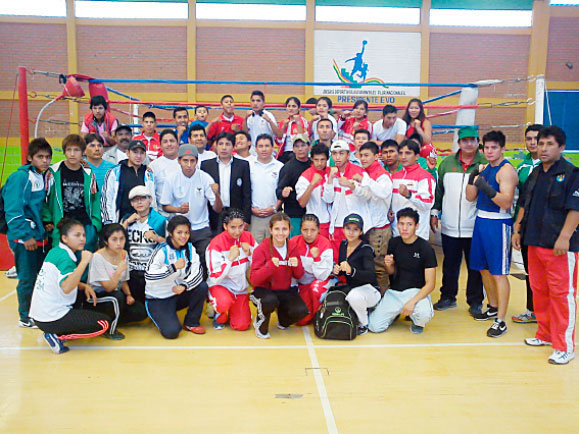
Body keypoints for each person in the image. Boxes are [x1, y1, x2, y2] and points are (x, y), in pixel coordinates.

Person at [514, 126, 578, 365]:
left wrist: (564, 236)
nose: (543, 148)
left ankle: (564, 346)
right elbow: (524, 203)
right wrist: (518, 229)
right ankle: (545, 334)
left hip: (560, 247)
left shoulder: (572, 173)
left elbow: (576, 208)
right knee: (539, 291)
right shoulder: (535, 173)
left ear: (561, 147)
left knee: (562, 295)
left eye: (549, 144)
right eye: (541, 144)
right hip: (534, 242)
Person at [29, 219, 110, 354]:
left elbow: (60, 281)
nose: (82, 239)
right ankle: (57, 336)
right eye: (77, 235)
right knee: (103, 324)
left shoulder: (56, 251)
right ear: (65, 238)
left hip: (40, 316)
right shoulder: (66, 259)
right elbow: (66, 287)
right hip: (52, 318)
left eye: (83, 235)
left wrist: (83, 285)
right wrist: (84, 262)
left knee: (81, 299)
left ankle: (56, 332)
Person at [466, 130, 518, 338]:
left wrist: (485, 188)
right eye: (486, 147)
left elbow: (506, 202)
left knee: (498, 272)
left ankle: (501, 320)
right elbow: (470, 197)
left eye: (493, 147)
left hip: (499, 224)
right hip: (481, 221)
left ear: (502, 148)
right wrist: (472, 178)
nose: (489, 151)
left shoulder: (506, 171)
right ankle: (493, 306)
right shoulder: (486, 168)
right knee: (483, 269)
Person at [431, 125, 485, 316]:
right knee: (450, 264)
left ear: (478, 142)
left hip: (476, 226)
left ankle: (476, 301)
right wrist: (435, 212)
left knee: (475, 266)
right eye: (464, 140)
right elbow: (439, 191)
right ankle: (447, 297)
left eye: (472, 139)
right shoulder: (446, 164)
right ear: (459, 142)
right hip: (450, 225)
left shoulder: (486, 163)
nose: (469, 143)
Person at [3, 138, 52, 328]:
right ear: (30, 158)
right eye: (40, 157)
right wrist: (25, 236)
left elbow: (36, 207)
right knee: (27, 278)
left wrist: (44, 225)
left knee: (37, 277)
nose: (45, 161)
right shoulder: (20, 177)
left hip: (38, 235)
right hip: (24, 237)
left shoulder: (41, 175)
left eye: (47, 157)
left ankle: (35, 311)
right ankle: (25, 316)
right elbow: (13, 210)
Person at [369, 208, 437, 334]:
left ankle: (417, 321)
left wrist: (411, 302)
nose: (404, 228)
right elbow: (390, 272)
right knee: (374, 326)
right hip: (395, 293)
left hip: (416, 292)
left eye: (409, 224)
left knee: (424, 314)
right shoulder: (394, 243)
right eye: (401, 224)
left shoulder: (425, 248)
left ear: (416, 226)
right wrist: (388, 265)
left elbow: (431, 284)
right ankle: (394, 314)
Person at [144, 215, 209, 339]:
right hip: (159, 298)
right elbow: (149, 275)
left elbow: (198, 272)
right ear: (171, 233)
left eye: (186, 232)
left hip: (177, 293)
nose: (183, 236)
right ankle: (159, 315)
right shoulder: (161, 250)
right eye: (179, 232)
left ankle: (191, 322)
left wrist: (185, 285)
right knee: (172, 332)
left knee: (201, 286)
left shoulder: (190, 248)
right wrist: (172, 267)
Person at [160, 144, 222, 268]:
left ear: (197, 161)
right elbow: (165, 206)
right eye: (185, 161)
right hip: (180, 228)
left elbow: (217, 209)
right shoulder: (171, 179)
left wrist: (217, 194)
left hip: (201, 228)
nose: (189, 165)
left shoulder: (205, 178)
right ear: (179, 161)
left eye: (192, 161)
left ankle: (202, 286)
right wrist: (178, 210)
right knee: (181, 263)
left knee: (204, 262)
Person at [249, 212, 308, 339]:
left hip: (284, 290)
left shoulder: (292, 246)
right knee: (269, 300)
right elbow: (254, 279)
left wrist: (296, 265)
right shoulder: (261, 248)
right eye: (276, 229)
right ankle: (259, 323)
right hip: (263, 291)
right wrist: (269, 266)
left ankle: (283, 319)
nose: (280, 233)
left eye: (284, 229)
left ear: (289, 230)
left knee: (301, 311)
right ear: (270, 230)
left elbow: (299, 275)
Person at [87, 223, 147, 340]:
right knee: (117, 296)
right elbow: (108, 287)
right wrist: (118, 272)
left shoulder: (124, 254)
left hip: (116, 294)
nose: (119, 243)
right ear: (106, 241)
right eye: (114, 239)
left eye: (121, 239)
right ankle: (109, 329)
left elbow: (123, 280)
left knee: (140, 312)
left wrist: (129, 295)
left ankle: (103, 321)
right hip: (99, 297)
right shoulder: (97, 257)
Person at [42, 134, 101, 252]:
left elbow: (95, 200)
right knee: (63, 263)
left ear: (83, 152)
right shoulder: (53, 172)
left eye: (76, 150)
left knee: (84, 263)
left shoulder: (89, 174)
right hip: (62, 225)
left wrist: (95, 224)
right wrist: (47, 219)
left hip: (85, 225)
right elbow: (42, 198)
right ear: (64, 152)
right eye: (69, 150)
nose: (72, 154)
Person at [511, 123, 543, 324]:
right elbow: (518, 201)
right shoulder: (521, 167)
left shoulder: (556, 167)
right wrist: (517, 227)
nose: (532, 142)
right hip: (526, 229)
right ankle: (533, 311)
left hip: (547, 231)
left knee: (548, 273)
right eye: (529, 138)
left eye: (537, 139)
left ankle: (549, 313)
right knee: (531, 271)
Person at [206, 208, 257, 331]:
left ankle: (235, 309)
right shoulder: (215, 244)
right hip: (221, 286)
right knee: (223, 303)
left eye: (240, 226)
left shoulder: (248, 237)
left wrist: (250, 252)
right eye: (233, 227)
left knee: (241, 326)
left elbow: (259, 260)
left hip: (240, 288)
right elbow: (215, 277)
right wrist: (229, 260)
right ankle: (219, 313)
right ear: (225, 226)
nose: (237, 231)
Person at [322, 140, 372, 258]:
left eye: (341, 153)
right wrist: (329, 180)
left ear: (348, 155)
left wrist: (351, 186)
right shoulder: (330, 173)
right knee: (337, 262)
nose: (337, 157)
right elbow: (328, 199)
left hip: (355, 226)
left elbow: (368, 196)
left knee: (354, 262)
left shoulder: (359, 171)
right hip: (336, 225)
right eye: (334, 153)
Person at [333, 214, 381, 335]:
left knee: (353, 297)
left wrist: (351, 270)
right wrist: (337, 270)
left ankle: (364, 324)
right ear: (343, 229)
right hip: (353, 288)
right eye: (348, 228)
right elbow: (343, 268)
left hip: (370, 290)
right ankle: (362, 310)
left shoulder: (366, 249)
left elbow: (371, 276)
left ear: (361, 232)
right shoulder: (343, 245)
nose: (351, 232)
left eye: (355, 229)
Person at [356, 141, 393, 293]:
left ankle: (385, 301)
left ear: (376, 156)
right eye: (361, 156)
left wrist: (365, 180)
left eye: (366, 155)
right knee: (368, 266)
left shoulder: (382, 176)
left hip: (379, 229)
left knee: (380, 268)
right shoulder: (365, 173)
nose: (363, 159)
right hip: (367, 228)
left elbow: (384, 193)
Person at [121, 186, 167, 305]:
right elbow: (114, 240)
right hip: (131, 272)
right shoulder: (127, 219)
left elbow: (173, 246)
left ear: (150, 199)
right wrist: (126, 223)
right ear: (131, 203)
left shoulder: (160, 220)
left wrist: (157, 238)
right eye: (135, 200)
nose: (139, 202)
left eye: (143, 198)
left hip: (152, 272)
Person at [201, 131, 251, 233]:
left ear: (233, 147)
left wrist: (246, 218)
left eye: (227, 144)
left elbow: (247, 194)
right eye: (220, 144)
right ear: (216, 146)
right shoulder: (206, 165)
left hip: (236, 213)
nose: (224, 148)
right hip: (213, 215)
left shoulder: (243, 165)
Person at [101, 139, 157, 224]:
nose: (138, 156)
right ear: (127, 153)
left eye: (142, 153)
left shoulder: (148, 173)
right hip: (120, 221)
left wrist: (153, 221)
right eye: (135, 152)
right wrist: (109, 222)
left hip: (143, 223)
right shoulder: (115, 172)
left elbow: (152, 199)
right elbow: (107, 198)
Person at [391, 139, 436, 242]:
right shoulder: (394, 177)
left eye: (408, 153)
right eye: (401, 153)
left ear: (417, 156)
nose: (403, 157)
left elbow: (427, 204)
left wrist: (409, 195)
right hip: (396, 234)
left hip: (417, 236)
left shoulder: (425, 177)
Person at [292, 214, 333, 325]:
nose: (309, 234)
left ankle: (319, 315)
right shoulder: (294, 242)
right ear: (300, 229)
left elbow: (322, 276)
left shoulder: (325, 244)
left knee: (315, 288)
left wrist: (316, 258)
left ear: (319, 230)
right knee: (300, 320)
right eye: (305, 230)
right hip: (301, 284)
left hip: (318, 282)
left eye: (313, 230)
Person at [249, 134, 284, 244]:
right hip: (254, 216)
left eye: (267, 146)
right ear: (255, 148)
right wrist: (251, 209)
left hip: (274, 215)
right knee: (254, 251)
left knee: (274, 249)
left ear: (273, 148)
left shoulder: (280, 167)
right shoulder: (248, 165)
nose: (264, 149)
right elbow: (245, 191)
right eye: (260, 146)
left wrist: (275, 207)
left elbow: (282, 191)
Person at [276, 133, 312, 237]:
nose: (300, 149)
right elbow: (278, 191)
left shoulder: (314, 164)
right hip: (294, 215)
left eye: (303, 145)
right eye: (297, 146)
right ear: (293, 149)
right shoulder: (288, 168)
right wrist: (283, 192)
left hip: (312, 213)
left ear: (309, 147)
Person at [296, 144, 331, 238]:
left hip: (333, 225)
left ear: (327, 159)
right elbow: (302, 203)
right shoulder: (305, 177)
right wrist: (312, 185)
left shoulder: (332, 173)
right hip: (315, 224)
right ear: (311, 159)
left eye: (322, 160)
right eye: (316, 160)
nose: (319, 163)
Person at [149, 129, 181, 217]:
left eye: (172, 141)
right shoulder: (153, 166)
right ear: (160, 145)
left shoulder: (187, 162)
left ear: (177, 143)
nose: (169, 144)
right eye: (165, 142)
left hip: (184, 215)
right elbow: (151, 193)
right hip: (163, 215)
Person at [276, 97, 309, 163]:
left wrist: (298, 123)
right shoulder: (283, 122)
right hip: (284, 152)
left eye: (294, 106)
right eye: (289, 106)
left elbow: (303, 139)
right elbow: (278, 141)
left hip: (297, 153)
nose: (291, 109)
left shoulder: (303, 121)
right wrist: (283, 127)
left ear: (299, 108)